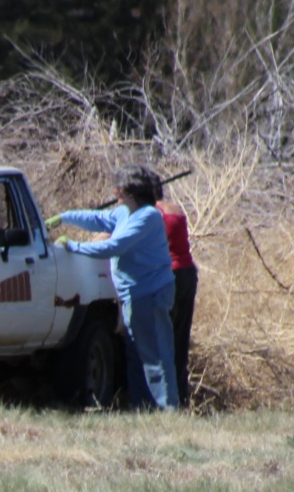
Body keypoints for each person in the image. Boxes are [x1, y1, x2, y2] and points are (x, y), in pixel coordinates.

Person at [47, 164, 179, 410]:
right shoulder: (123, 213)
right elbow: (97, 218)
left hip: (149, 294)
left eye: (120, 190)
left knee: (155, 356)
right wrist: (64, 217)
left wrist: (74, 246)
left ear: (130, 192)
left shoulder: (148, 217)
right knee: (136, 355)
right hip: (133, 296)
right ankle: (143, 408)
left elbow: (114, 246)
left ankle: (166, 411)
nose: (115, 193)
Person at [155, 191, 198, 408]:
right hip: (187, 273)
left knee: (162, 341)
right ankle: (181, 399)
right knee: (180, 341)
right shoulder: (175, 210)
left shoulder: (152, 213)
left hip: (167, 277)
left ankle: (165, 401)